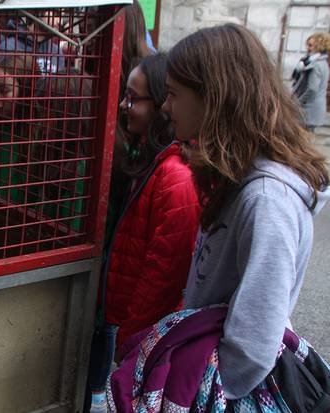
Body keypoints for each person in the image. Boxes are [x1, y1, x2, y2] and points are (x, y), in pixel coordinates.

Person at [110, 24, 330, 411]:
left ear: (215, 98)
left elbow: (253, 340)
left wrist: (202, 395)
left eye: (175, 95)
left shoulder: (267, 199)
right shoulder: (237, 178)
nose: (165, 106)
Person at [87, 53, 200, 412]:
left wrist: (130, 340)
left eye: (134, 98)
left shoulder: (175, 177)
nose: (124, 105)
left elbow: (161, 279)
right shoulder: (148, 161)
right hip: (121, 320)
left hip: (138, 333)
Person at [292, 32, 329, 133]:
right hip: (313, 109)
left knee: (302, 139)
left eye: (311, 45)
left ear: (319, 46)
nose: (307, 48)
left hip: (308, 110)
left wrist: (297, 103)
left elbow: (312, 89)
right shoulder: (321, 62)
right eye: (307, 44)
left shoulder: (316, 65)